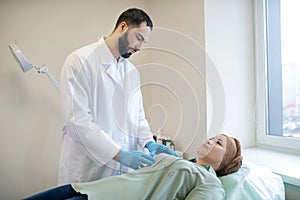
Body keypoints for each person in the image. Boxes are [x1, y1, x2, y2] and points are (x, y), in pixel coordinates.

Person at [58, 8, 177, 185]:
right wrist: (119, 154)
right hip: (87, 172)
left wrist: (148, 143)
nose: (139, 48)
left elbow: (138, 118)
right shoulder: (80, 61)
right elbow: (78, 121)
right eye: (139, 38)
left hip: (121, 176)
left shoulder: (132, 72)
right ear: (123, 27)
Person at [24, 134, 243, 200]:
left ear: (226, 161)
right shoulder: (183, 161)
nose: (210, 140)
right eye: (212, 137)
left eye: (219, 143)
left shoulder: (211, 183)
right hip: (89, 188)